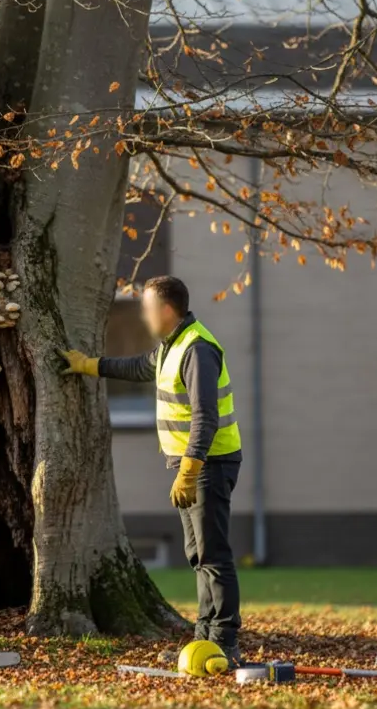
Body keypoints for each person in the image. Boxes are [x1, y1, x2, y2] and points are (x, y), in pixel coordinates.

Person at [61, 275, 244, 662]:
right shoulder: (170, 347)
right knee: (199, 555)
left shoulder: (198, 349)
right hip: (193, 465)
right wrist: (89, 365)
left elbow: (205, 417)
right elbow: (138, 367)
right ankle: (204, 638)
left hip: (209, 463)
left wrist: (190, 469)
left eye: (145, 309)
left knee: (213, 555)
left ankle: (224, 641)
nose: (143, 317)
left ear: (165, 309)